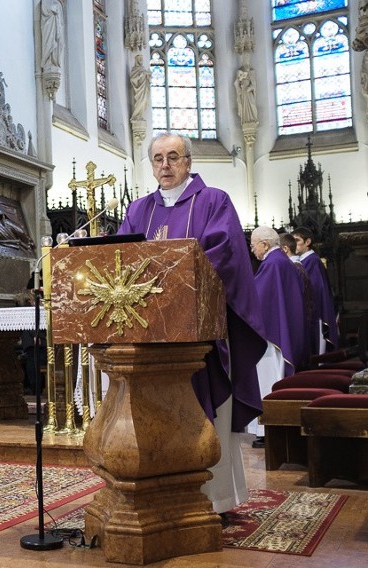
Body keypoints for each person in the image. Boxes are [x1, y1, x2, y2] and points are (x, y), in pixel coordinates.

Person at [117, 132, 267, 515]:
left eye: (172, 157)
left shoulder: (214, 201)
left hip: (199, 338)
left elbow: (226, 257)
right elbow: (118, 260)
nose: (164, 166)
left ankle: (213, 502)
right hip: (147, 336)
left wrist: (171, 281)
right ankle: (156, 497)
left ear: (188, 161)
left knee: (205, 416)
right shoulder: (138, 210)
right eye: (157, 159)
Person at [248, 227, 311, 448]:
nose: (252, 248)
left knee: (268, 378)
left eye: (254, 244)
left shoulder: (272, 264)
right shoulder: (280, 262)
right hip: (279, 330)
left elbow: (257, 299)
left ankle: (268, 429)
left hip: (271, 337)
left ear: (265, 244)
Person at [292, 227, 339, 353]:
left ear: (307, 242)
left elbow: (315, 288)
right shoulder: (302, 261)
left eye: (297, 240)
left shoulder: (312, 261)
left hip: (315, 312)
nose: (293, 244)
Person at [129, 54, 151, 121]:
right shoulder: (135, 69)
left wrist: (149, 76)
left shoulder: (144, 69)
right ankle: (136, 115)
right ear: (137, 60)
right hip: (138, 90)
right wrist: (140, 75)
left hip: (144, 89)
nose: (141, 61)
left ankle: (140, 115)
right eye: (140, 59)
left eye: (142, 59)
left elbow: (148, 81)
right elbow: (132, 79)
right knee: (139, 102)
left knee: (144, 101)